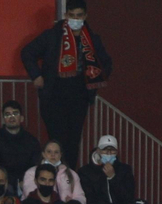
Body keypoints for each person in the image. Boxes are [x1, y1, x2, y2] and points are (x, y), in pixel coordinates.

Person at [21, 2, 110, 163]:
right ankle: (55, 176)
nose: (75, 19)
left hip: (79, 98)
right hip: (54, 97)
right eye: (72, 15)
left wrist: (94, 81)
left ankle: (69, 178)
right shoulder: (52, 36)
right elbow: (27, 53)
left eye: (79, 15)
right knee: (57, 141)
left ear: (85, 16)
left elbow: (106, 63)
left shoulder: (92, 39)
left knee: (73, 142)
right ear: (66, 15)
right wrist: (36, 76)